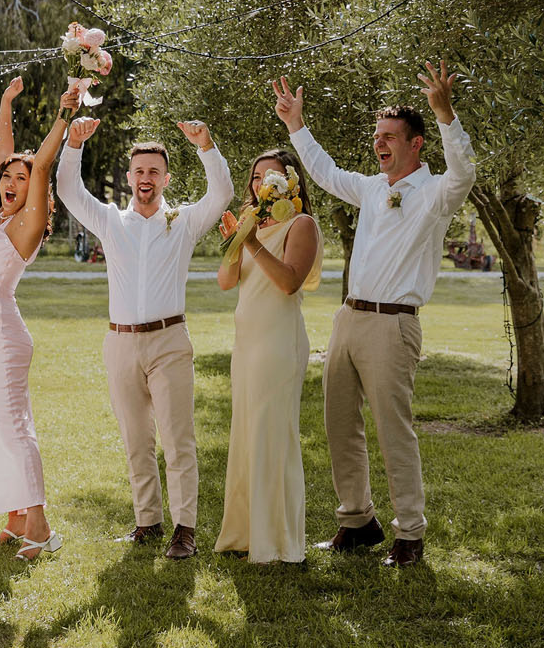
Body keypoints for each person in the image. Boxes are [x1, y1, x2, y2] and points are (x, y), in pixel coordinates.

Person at [273, 63, 475, 567]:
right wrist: (297, 125)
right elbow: (322, 171)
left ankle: (410, 533)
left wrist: (445, 114)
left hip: (394, 324)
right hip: (349, 319)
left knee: (393, 429)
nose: (379, 144)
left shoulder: (435, 194)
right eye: (377, 136)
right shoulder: (369, 187)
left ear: (416, 144)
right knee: (340, 423)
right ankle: (357, 522)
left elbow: (465, 171)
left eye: (389, 137)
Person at [56, 116, 232, 560]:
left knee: (177, 440)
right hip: (120, 343)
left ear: (166, 178)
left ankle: (185, 529)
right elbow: (67, 190)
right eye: (139, 171)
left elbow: (223, 194)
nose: (146, 178)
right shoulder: (112, 220)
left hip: (169, 341)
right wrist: (73, 144)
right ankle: (147, 522)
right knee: (136, 439)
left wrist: (206, 144)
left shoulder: (184, 220)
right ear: (130, 176)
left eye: (154, 171)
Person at [0, 78, 79, 560]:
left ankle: (39, 523)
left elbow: (43, 162)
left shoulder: (26, 223)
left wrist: (63, 116)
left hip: (4, 335)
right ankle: (13, 516)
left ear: (33, 188)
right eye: (6, 178)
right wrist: (6, 103)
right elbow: (2, 150)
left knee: (14, 424)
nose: (10, 183)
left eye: (20, 178)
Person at [213, 150, 322, 564]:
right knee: (246, 435)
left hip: (279, 342)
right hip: (246, 343)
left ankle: (277, 542)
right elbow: (226, 282)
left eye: (270, 175)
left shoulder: (302, 224)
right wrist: (237, 241)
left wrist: (255, 243)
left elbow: (289, 282)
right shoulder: (250, 224)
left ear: (290, 182)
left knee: (272, 436)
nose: (262, 183)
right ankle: (243, 535)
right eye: (256, 176)